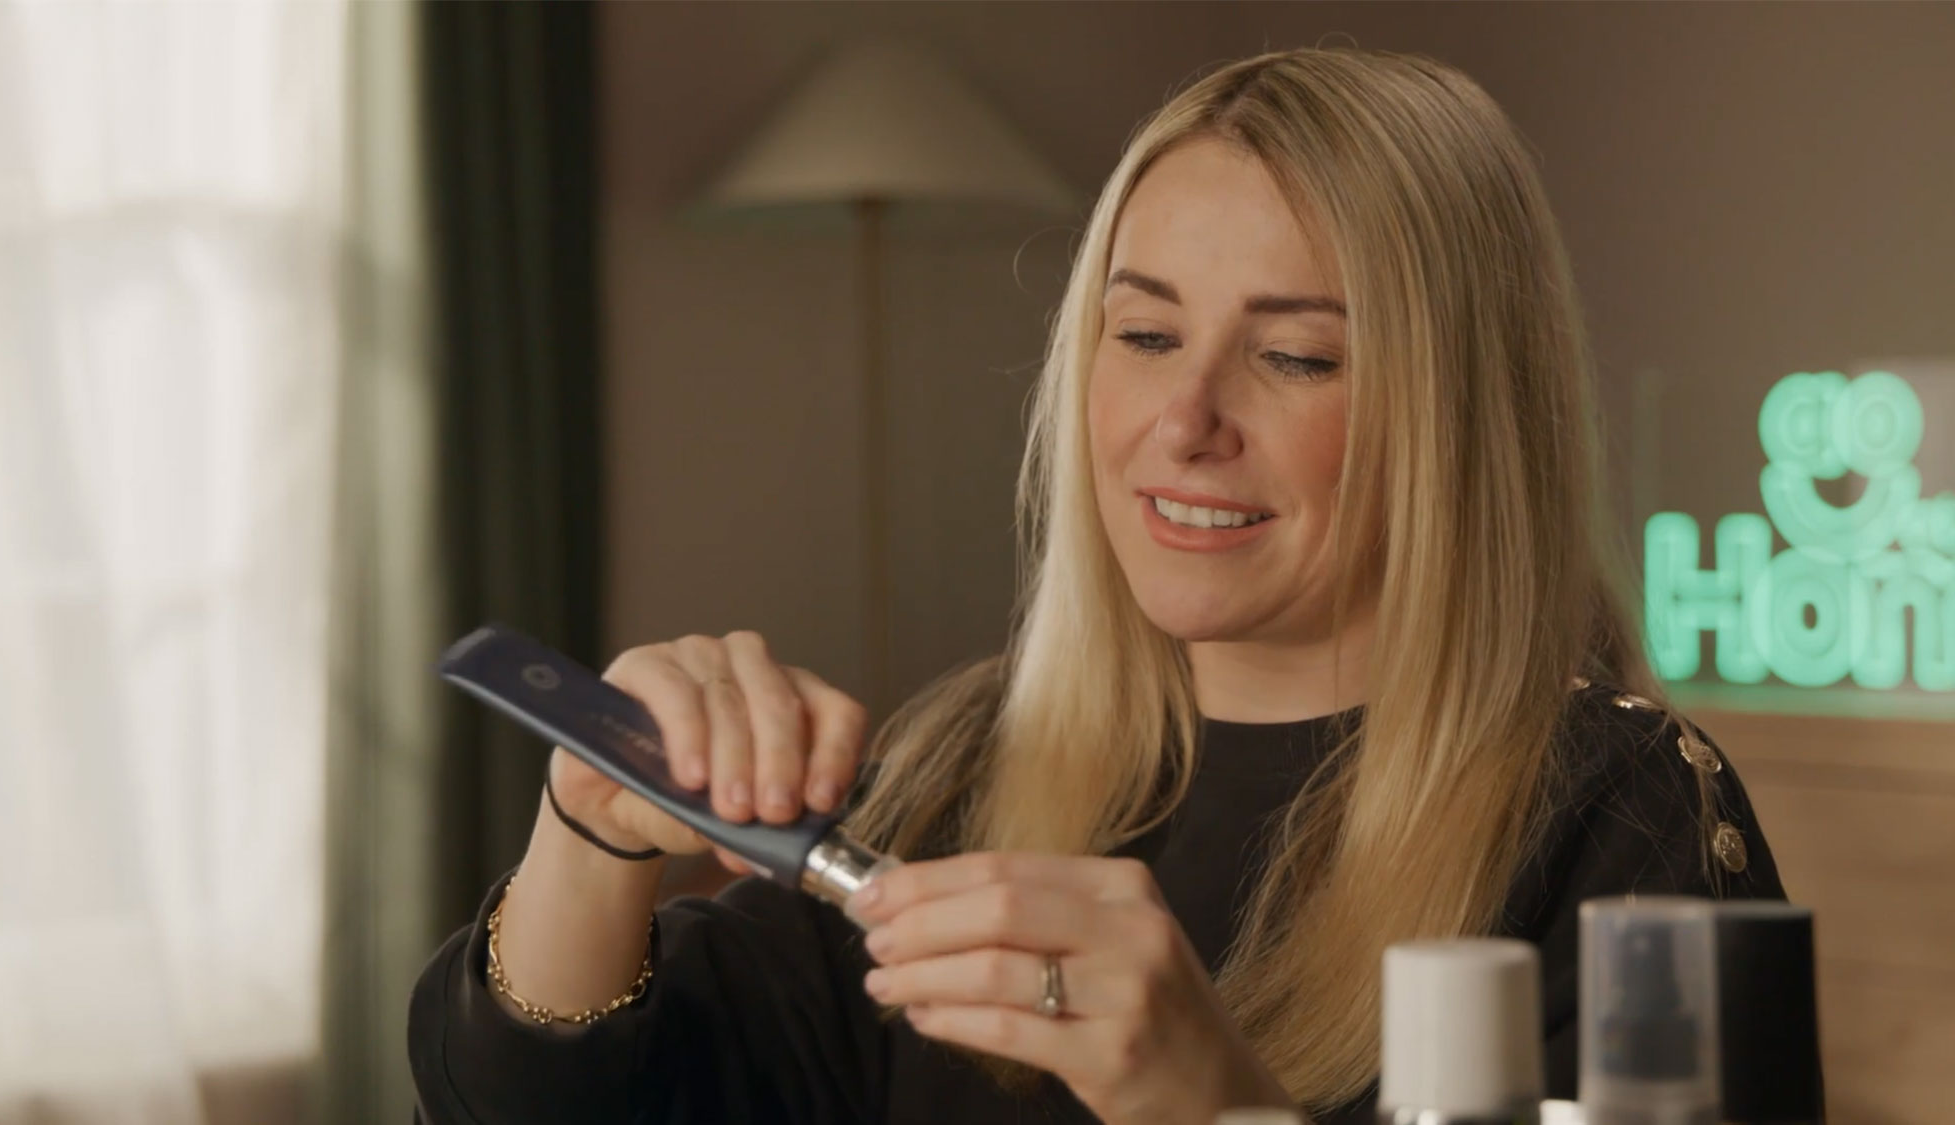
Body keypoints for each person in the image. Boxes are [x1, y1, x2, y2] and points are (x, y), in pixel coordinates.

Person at [408, 46, 1787, 1125]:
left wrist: (1210, 1102)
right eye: (1143, 333)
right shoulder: (959, 770)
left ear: (1463, 414)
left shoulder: (1627, 818)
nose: (1182, 422)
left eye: (1297, 357)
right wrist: (590, 833)